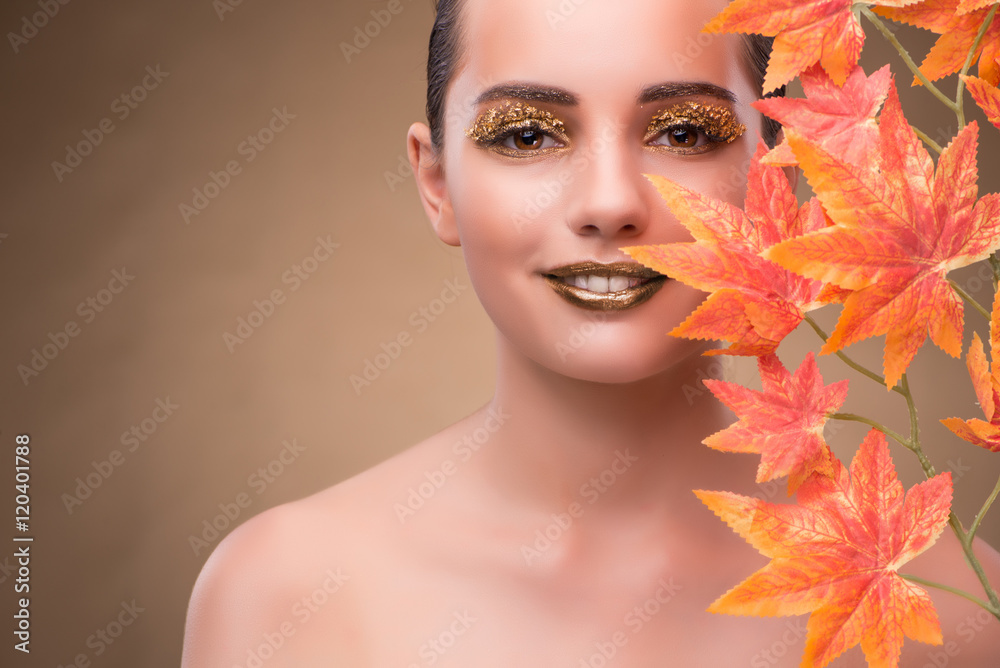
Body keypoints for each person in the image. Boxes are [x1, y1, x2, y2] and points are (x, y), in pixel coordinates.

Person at [181, 0, 1000, 665]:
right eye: (528, 134)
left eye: (683, 132)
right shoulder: (283, 594)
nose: (610, 202)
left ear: (781, 171)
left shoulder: (952, 609)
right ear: (436, 183)